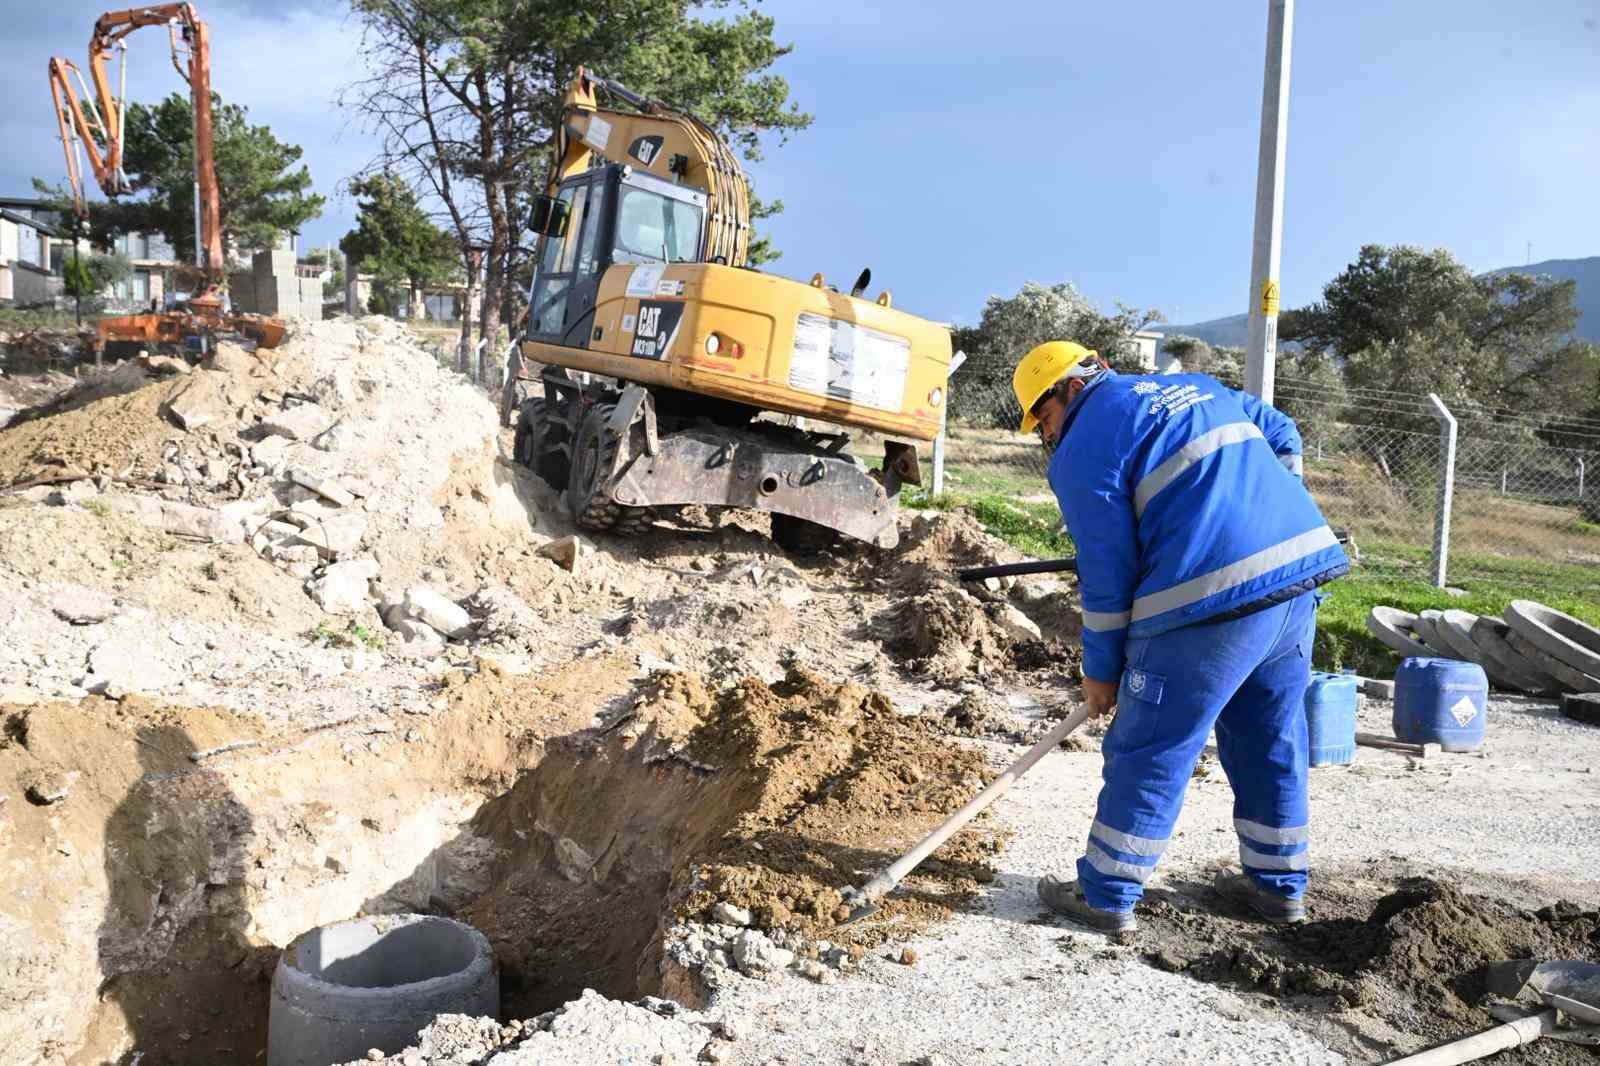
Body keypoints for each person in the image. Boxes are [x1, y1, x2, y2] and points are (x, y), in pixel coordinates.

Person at [1013, 340, 1349, 934]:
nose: (1047, 435)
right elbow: (1281, 428)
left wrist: (1101, 673)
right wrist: (1276, 501)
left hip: (1208, 599)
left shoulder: (1081, 448)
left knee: (1150, 743)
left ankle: (1107, 893)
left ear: (1067, 389)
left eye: (1043, 417)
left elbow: (1108, 575)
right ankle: (1278, 886)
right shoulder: (1199, 387)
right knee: (1269, 735)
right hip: (1296, 580)